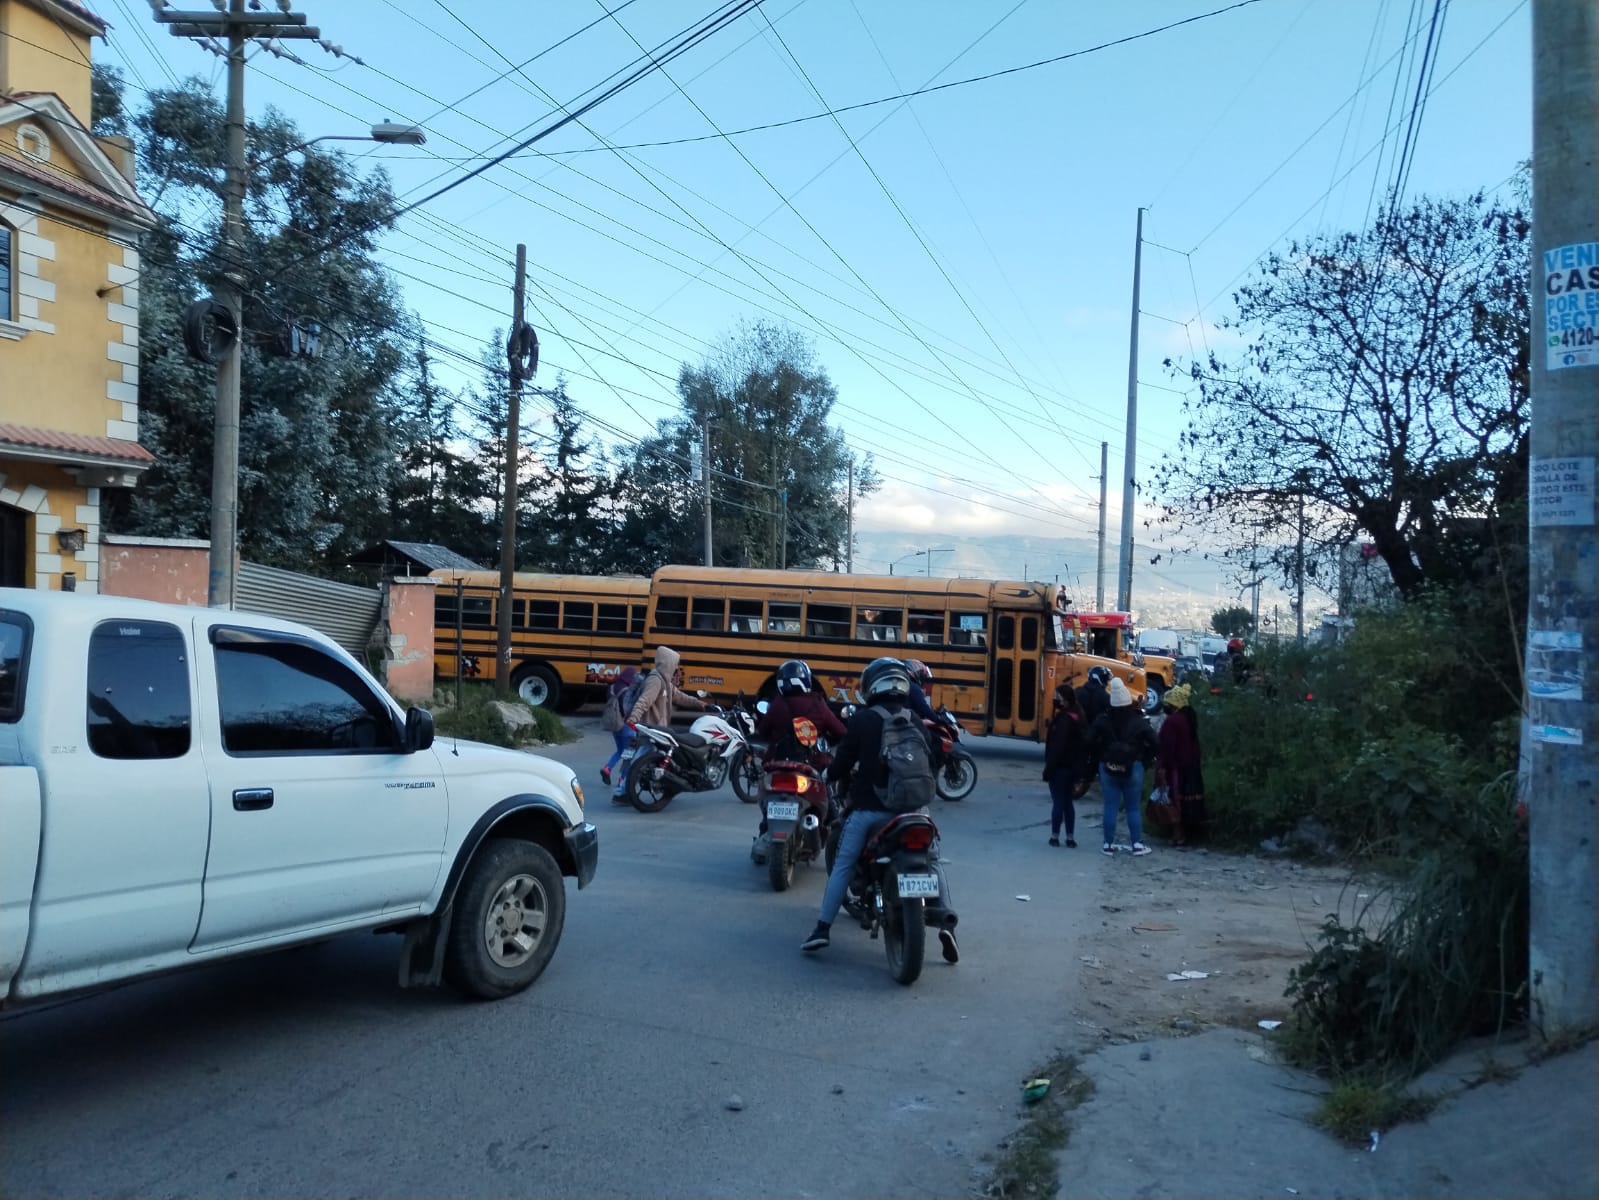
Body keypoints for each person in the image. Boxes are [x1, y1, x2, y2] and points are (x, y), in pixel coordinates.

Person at [802, 657, 959, 963]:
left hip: (871, 811)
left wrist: (829, 775)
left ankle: (822, 929)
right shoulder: (914, 719)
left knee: (844, 862)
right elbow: (932, 759)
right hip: (916, 810)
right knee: (933, 860)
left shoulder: (863, 720)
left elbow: (842, 763)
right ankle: (948, 925)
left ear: (872, 685)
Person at [613, 646, 708, 801]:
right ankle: (622, 792)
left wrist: (698, 703)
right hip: (649, 729)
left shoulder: (666, 682)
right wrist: (633, 718)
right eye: (675, 663)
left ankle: (629, 790)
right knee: (640, 761)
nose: (677, 667)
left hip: (658, 730)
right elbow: (644, 701)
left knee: (646, 761)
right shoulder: (655, 680)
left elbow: (680, 697)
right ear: (668, 663)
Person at [1087, 676, 1158, 855]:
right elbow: (1156, 743)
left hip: (1108, 766)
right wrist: (1145, 759)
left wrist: (1100, 755)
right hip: (1133, 766)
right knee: (1132, 807)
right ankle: (1137, 844)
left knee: (1110, 806)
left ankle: (1108, 844)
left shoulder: (1103, 720)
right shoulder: (1139, 721)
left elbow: (1088, 740)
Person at [756, 659, 845, 767]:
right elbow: (840, 731)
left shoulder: (776, 705)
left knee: (765, 781)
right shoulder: (818, 704)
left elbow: (762, 731)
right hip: (812, 763)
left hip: (778, 762)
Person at [1153, 684, 1206, 846]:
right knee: (1189, 802)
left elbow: (1167, 748)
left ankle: (1178, 834)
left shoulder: (1172, 722)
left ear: (1174, 705)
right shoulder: (1188, 718)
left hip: (1175, 768)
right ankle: (1190, 834)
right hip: (1191, 767)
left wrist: (1161, 767)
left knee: (1174, 801)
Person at [1042, 683, 1088, 847]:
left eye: (1058, 697)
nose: (1055, 700)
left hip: (1060, 767)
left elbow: (1057, 747)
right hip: (1074, 767)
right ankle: (1070, 837)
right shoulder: (1079, 716)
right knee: (1068, 803)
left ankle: (1055, 836)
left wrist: (1048, 769)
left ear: (1065, 700)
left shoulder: (1063, 720)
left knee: (1058, 802)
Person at [599, 665, 638, 787]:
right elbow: (625, 708)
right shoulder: (626, 691)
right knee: (629, 754)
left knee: (620, 750)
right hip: (625, 726)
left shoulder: (611, 687)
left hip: (614, 724)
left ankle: (607, 768)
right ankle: (622, 779)